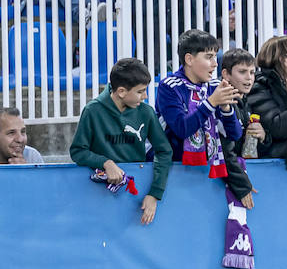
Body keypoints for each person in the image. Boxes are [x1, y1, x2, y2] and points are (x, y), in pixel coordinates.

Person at [69, 58, 172, 225]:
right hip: (97, 197)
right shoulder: (92, 111)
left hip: (136, 196)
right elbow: (77, 151)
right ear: (122, 91)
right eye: (140, 91)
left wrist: (154, 193)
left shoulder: (146, 112)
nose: (145, 96)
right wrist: (106, 163)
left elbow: (164, 151)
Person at [155, 28, 246, 190]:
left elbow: (235, 135)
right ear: (189, 59)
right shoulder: (169, 86)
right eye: (209, 57)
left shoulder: (214, 86)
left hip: (207, 172)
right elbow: (182, 129)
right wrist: (211, 103)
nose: (215, 63)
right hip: (174, 170)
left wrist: (226, 108)